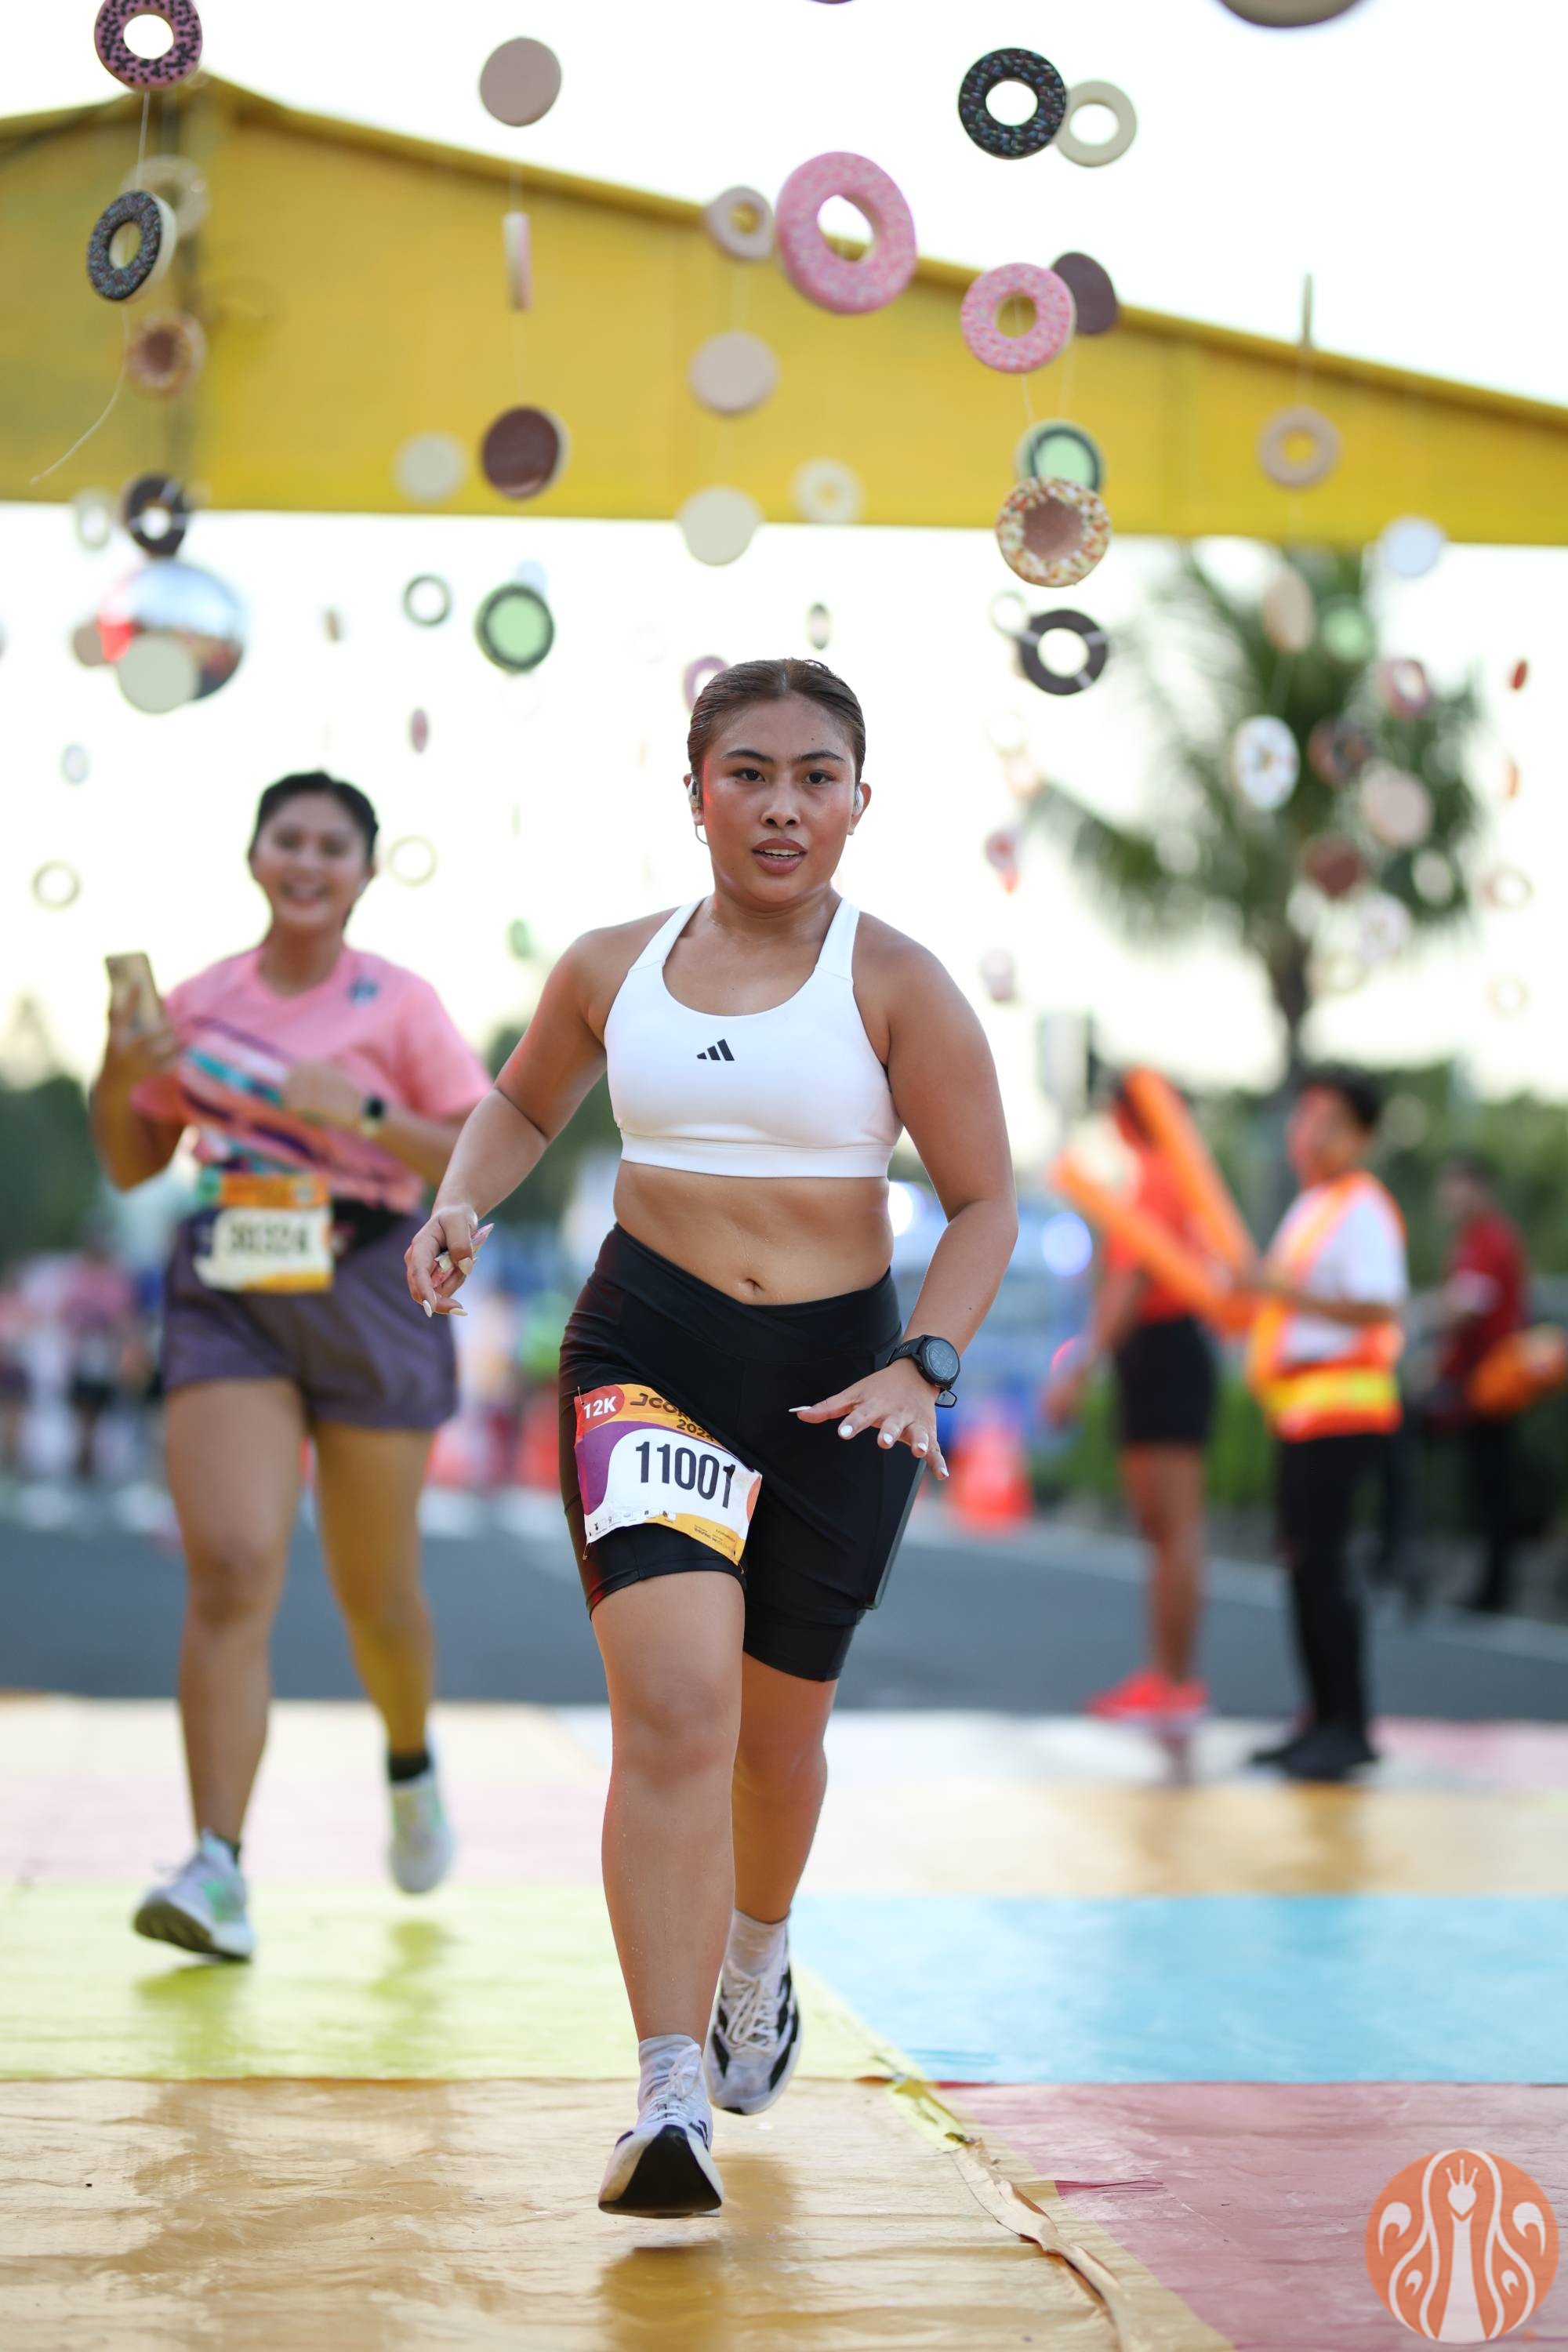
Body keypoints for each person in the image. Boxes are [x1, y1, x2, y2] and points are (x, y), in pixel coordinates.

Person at [407, 659, 1017, 2219]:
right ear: (695, 794)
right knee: (675, 1711)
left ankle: (758, 1952)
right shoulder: (609, 967)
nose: (782, 806)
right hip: (649, 1354)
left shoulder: (899, 981)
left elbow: (982, 1203)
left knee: (776, 1741)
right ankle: (668, 2093)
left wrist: (926, 1365)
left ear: (861, 803)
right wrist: (461, 1199)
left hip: (841, 1384)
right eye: (748, 773)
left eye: (817, 777)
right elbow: (522, 1107)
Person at [89, 771, 491, 1961]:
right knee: (229, 1564)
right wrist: (119, 1065)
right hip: (233, 1286)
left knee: (377, 1594)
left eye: (332, 845)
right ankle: (216, 1866)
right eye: (289, 840)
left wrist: (361, 1111)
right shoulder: (200, 1003)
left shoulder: (401, 1004)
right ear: (256, 856)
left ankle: (409, 1765)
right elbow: (132, 1160)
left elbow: (473, 1151)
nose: (308, 861)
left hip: (371, 1282)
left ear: (364, 872)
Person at [1244, 1068, 1407, 1783]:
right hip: (1303, 1411)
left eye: (1329, 1122)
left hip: (1343, 1410)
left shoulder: (1361, 1207)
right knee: (1306, 1566)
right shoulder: (1316, 1204)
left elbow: (1379, 1304)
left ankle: (1349, 1724)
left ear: (1361, 1138)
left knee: (1326, 1567)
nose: (1310, 1133)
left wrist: (1279, 1288)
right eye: (1306, 1117)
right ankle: (1320, 1719)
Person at [1048, 1078, 1214, 1730]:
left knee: (1174, 1526)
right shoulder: (1162, 1175)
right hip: (1157, 1351)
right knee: (1162, 1527)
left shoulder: (1161, 1175)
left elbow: (1135, 1276)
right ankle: (1165, 1677)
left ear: (1125, 1115)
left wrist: (1080, 1367)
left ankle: (1174, 1681)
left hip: (1166, 1346)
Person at [1428, 1152, 1529, 1613]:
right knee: (1485, 1485)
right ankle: (1489, 1584)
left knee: (1492, 1486)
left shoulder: (1490, 1239)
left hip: (1491, 1384)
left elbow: (1467, 1308)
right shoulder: (1474, 1239)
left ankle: (1494, 1589)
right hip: (1476, 1384)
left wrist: (1421, 1316)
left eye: (1456, 1185)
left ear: (1477, 1187)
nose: (1447, 1196)